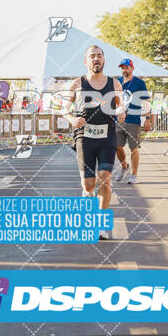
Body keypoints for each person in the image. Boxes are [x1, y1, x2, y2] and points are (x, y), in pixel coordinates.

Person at [60, 45, 126, 240]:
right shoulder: (75, 84)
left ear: (104, 60)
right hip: (85, 138)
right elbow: (64, 109)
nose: (96, 59)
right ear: (85, 61)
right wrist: (72, 119)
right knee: (88, 185)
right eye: (92, 56)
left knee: (105, 177)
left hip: (107, 136)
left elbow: (120, 107)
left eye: (99, 56)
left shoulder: (115, 85)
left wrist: (121, 113)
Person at [115, 58, 151, 184]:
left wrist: (147, 118)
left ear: (132, 68)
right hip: (118, 119)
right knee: (117, 146)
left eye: (126, 67)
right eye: (122, 68)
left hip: (133, 119)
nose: (124, 70)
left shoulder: (139, 83)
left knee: (133, 148)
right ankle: (125, 166)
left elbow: (146, 101)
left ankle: (134, 175)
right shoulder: (117, 82)